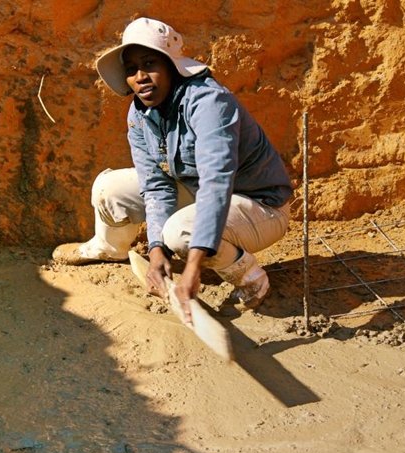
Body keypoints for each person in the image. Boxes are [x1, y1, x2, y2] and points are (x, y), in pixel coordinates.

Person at [53, 17, 293, 324]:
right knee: (109, 189)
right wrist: (156, 251)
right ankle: (110, 247)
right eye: (131, 69)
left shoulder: (209, 102)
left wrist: (193, 265)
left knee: (181, 232)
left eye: (150, 63)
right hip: (202, 196)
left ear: (172, 66)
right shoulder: (140, 114)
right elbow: (156, 186)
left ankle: (250, 278)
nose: (140, 77)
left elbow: (216, 184)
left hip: (261, 208)